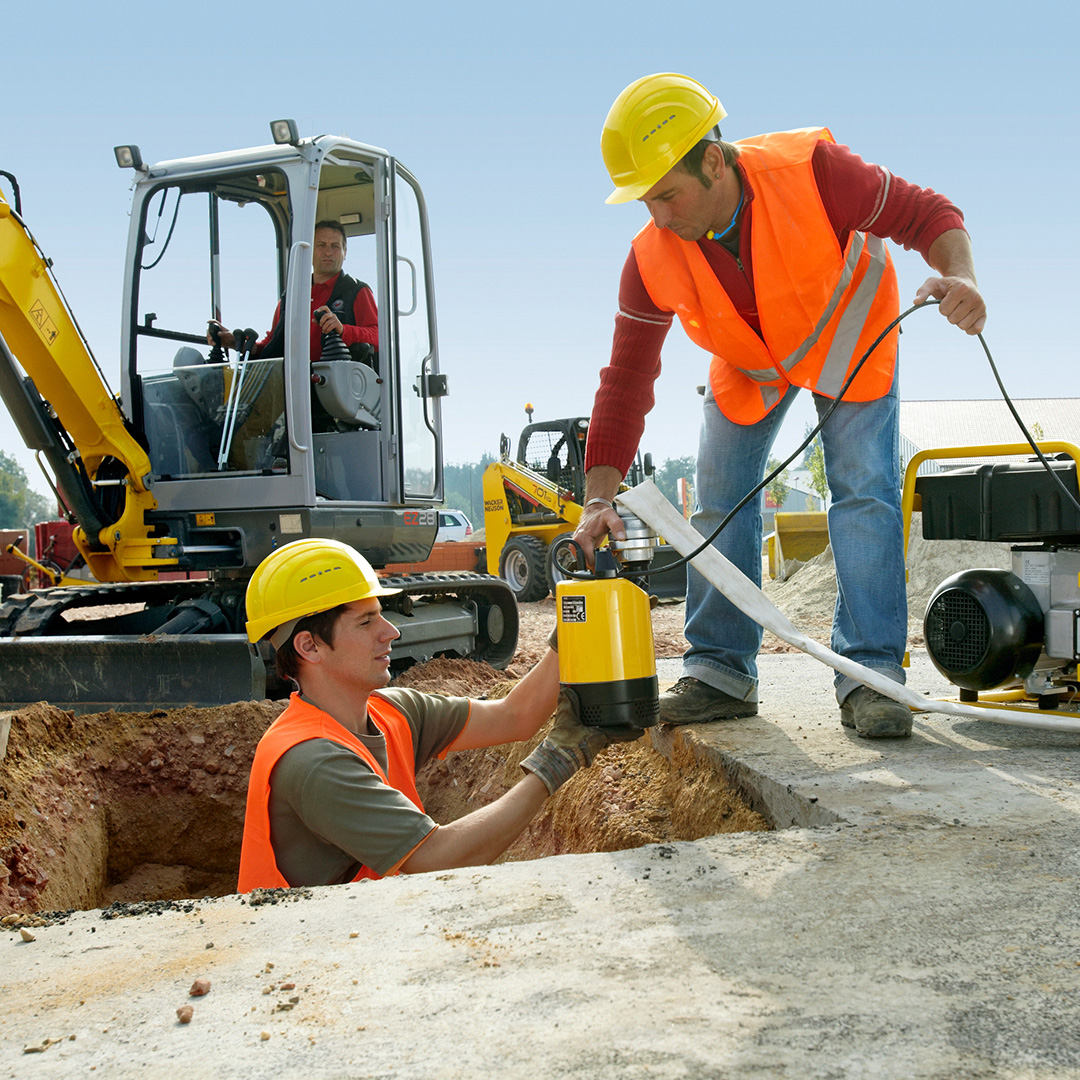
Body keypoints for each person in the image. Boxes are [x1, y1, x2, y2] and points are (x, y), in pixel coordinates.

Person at [574, 73, 987, 740]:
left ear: (712, 159)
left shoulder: (816, 173)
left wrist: (962, 277)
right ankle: (719, 673)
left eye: (668, 196)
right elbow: (626, 380)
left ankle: (872, 678)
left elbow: (929, 215)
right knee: (718, 498)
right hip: (754, 362)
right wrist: (598, 497)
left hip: (848, 337)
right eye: (646, 202)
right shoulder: (651, 258)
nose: (661, 217)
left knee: (863, 494)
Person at [237, 538, 636, 890]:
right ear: (309, 647)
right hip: (304, 959)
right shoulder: (312, 761)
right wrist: (556, 762)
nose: (390, 632)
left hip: (365, 932)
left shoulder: (392, 712)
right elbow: (438, 859)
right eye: (365, 621)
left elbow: (515, 716)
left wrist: (572, 623)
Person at [208, 220, 378, 364]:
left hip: (340, 391)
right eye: (321, 245)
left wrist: (343, 331)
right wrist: (236, 343)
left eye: (335, 246)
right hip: (290, 387)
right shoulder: (290, 298)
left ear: (345, 252)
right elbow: (271, 346)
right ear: (309, 251)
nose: (328, 252)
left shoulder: (357, 291)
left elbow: (378, 337)